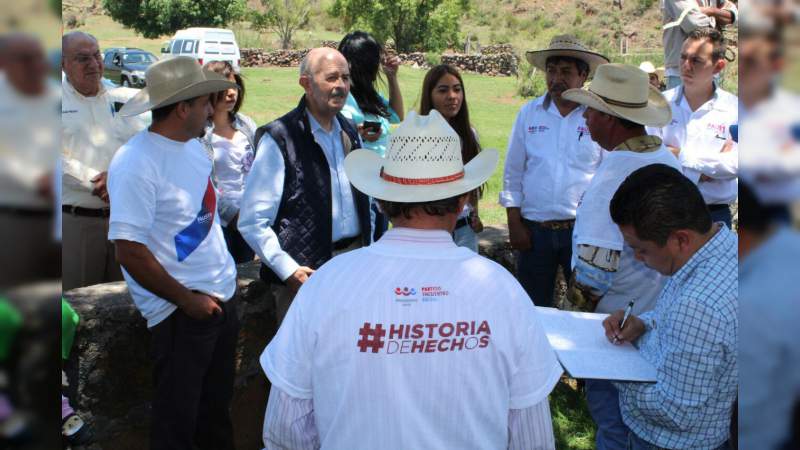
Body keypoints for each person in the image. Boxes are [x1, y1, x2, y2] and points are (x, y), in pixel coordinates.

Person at [260, 110, 563, 449]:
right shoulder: (503, 292)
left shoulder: (325, 286)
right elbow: (531, 437)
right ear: (463, 201)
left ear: (380, 199)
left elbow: (286, 431)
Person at [107, 56, 239, 450]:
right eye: (203, 102)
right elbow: (129, 251)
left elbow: (201, 222)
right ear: (183, 108)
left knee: (214, 415)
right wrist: (187, 301)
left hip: (218, 301)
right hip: (181, 313)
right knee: (177, 427)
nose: (211, 109)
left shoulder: (194, 149)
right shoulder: (136, 162)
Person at [560, 63, 681, 450]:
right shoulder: (665, 158)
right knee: (641, 424)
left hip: (614, 326)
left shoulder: (616, 173)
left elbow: (595, 270)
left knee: (613, 423)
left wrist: (569, 330)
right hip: (655, 317)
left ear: (610, 119)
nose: (586, 117)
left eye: (591, 110)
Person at [604, 164, 737, 450]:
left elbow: (674, 412)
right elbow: (698, 334)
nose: (638, 258)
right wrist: (645, 323)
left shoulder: (697, 304)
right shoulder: (725, 249)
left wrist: (613, 371)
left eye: (642, 248)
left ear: (680, 239)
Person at [238, 48, 371, 325]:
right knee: (305, 362)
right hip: (305, 277)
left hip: (354, 267)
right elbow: (252, 221)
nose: (341, 86)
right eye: (331, 78)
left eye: (345, 78)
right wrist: (289, 271)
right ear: (306, 83)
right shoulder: (280, 139)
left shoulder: (347, 131)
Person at [500, 34, 609, 307]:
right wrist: (514, 223)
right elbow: (513, 172)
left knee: (583, 310)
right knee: (532, 309)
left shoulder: (596, 116)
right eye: (551, 70)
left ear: (583, 76)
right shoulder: (529, 114)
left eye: (565, 72)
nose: (555, 78)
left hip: (582, 232)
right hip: (535, 232)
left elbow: (608, 174)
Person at [61, 31, 149, 290]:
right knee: (79, 300)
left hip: (125, 219)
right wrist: (98, 182)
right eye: (82, 58)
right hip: (79, 223)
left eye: (97, 55)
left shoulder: (121, 98)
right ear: (63, 64)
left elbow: (141, 144)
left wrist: (119, 179)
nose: (93, 63)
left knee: (125, 298)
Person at [648, 28, 738, 227]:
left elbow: (736, 164)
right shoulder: (660, 104)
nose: (686, 66)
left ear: (718, 67)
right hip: (666, 213)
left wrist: (679, 156)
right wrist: (706, 172)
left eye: (696, 60)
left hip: (714, 216)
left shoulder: (735, 109)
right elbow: (651, 158)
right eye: (683, 57)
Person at [0, 32, 60, 287]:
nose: (36, 65)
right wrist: (35, 179)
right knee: (14, 304)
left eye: (39, 57)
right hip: (14, 223)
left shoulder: (56, 97)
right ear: (3, 63)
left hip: (56, 223)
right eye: (25, 59)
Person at [338, 31, 403, 241]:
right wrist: (358, 133)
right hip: (361, 189)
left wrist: (392, 77)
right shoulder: (344, 97)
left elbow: (396, 115)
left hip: (381, 187)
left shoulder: (371, 95)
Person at [420, 64, 484, 252]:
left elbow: (472, 180)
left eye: (457, 89)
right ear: (429, 95)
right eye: (443, 90)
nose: (452, 96)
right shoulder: (418, 136)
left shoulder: (469, 134)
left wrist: (475, 214)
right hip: (432, 230)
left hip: (465, 229)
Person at [200, 60, 257, 263]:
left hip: (251, 217)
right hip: (218, 222)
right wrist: (232, 215)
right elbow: (204, 182)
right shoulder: (200, 133)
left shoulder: (247, 125)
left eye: (234, 86)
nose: (232, 93)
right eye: (224, 88)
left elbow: (259, 170)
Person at [661, 0, 737, 89]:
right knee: (679, 102)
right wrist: (718, 17)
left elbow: (735, 16)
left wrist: (710, 11)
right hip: (681, 72)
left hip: (711, 69)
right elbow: (694, 23)